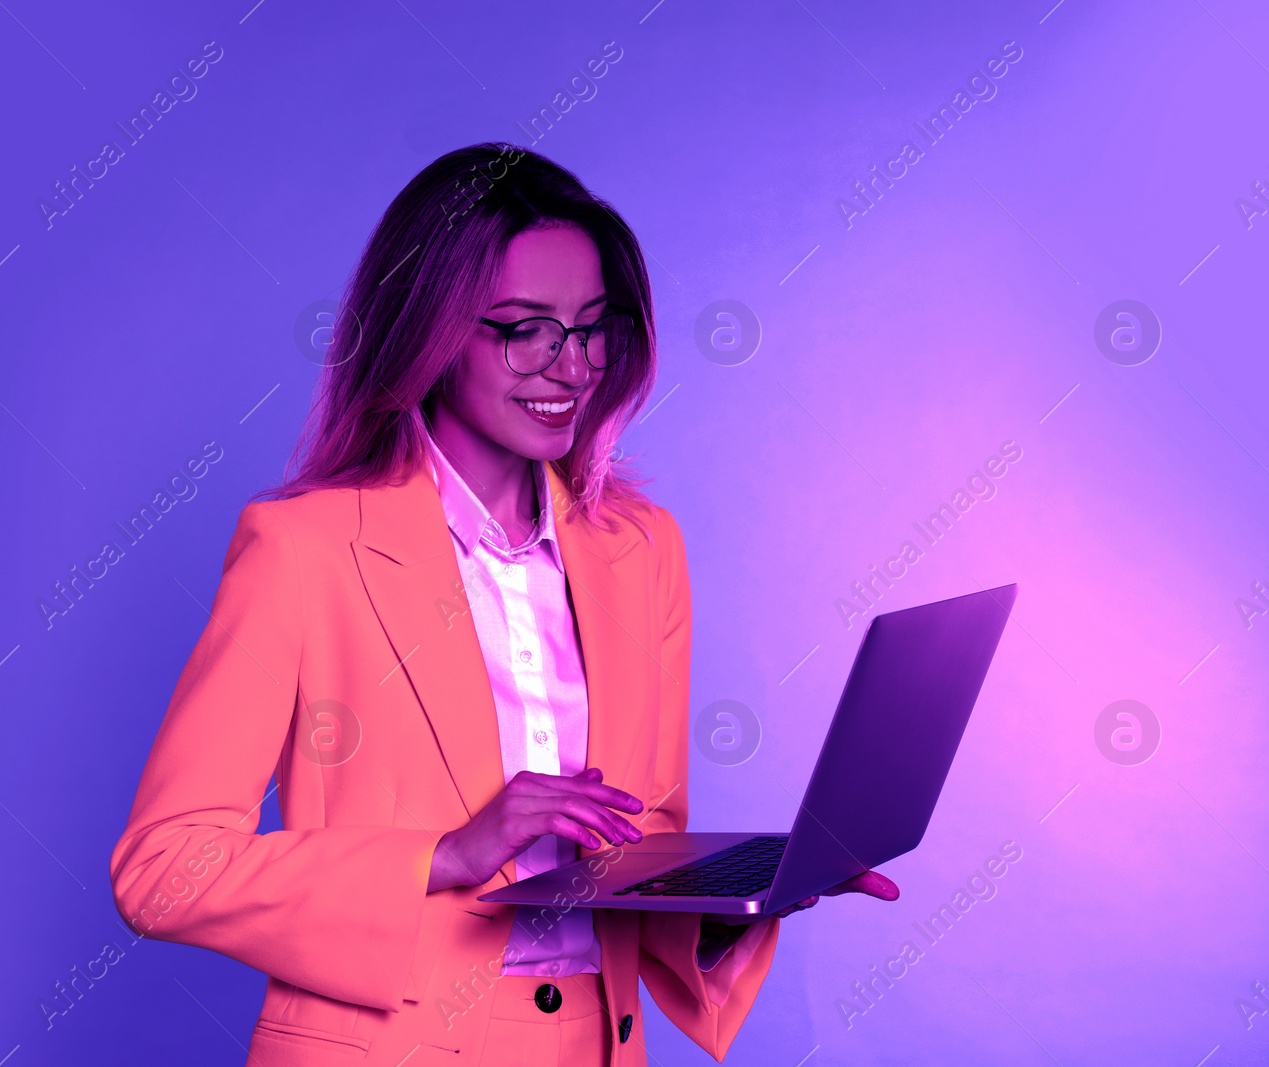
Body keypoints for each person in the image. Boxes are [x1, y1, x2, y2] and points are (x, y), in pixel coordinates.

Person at [109, 143, 897, 1066]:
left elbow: (638, 853)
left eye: (594, 327)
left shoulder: (640, 550)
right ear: (430, 332)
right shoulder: (305, 550)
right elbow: (163, 869)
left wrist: (755, 894)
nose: (572, 366)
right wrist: (443, 854)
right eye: (528, 328)